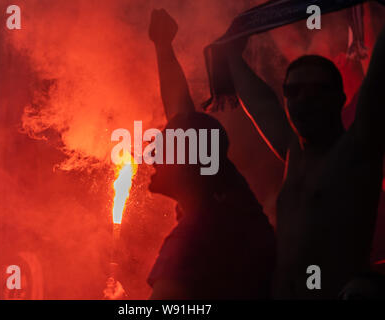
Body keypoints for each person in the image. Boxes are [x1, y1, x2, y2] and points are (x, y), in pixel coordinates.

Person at [218, 24, 385, 299]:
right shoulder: (294, 154)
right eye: (294, 91)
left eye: (317, 90)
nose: (304, 99)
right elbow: (260, 102)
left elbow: (379, 79)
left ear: (339, 99)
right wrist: (230, 51)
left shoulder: (356, 151)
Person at [146, 9, 276, 300]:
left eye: (162, 149)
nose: (152, 155)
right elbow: (182, 114)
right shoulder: (226, 196)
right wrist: (163, 46)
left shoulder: (194, 236)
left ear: (189, 165)